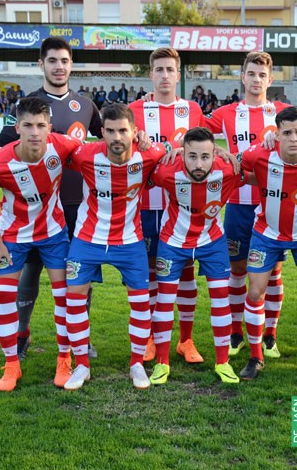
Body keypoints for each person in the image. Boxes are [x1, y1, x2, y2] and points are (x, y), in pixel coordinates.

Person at [0, 37, 104, 362]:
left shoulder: (86, 105)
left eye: (64, 60)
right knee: (29, 275)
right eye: (52, 61)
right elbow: (0, 146)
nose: (58, 67)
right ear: (41, 65)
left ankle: (81, 337)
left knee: (79, 276)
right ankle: (21, 333)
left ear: (71, 64)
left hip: (78, 205)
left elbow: (106, 141)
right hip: (34, 209)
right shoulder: (29, 104)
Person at [62, 103, 173, 391]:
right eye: (110, 131)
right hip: (88, 239)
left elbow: (179, 148)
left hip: (129, 241)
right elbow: (53, 143)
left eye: (123, 130)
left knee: (139, 303)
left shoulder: (150, 153)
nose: (116, 137)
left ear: (135, 132)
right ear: (101, 132)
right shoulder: (84, 154)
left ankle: (137, 362)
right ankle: (81, 365)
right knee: (73, 300)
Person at [0, 97, 81, 391]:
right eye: (28, 126)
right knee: (3, 297)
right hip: (13, 237)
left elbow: (100, 152)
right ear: (17, 127)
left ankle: (64, 358)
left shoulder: (63, 146)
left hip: (54, 234)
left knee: (64, 297)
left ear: (49, 127)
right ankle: (12, 365)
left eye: (40, 125)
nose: (35, 132)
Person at [239, 107, 297, 382]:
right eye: (287, 133)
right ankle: (256, 357)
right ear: (277, 134)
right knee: (255, 292)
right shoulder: (258, 154)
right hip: (266, 233)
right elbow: (232, 164)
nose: (294, 138)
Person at [204, 52, 290, 359]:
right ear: (243, 77)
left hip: (273, 205)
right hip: (238, 205)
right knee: (238, 270)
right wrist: (217, 149)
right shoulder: (227, 113)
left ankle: (269, 335)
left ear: (270, 79)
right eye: (251, 74)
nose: (256, 80)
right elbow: (192, 130)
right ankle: (237, 333)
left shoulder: (283, 114)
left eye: (262, 75)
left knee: (273, 272)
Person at [148, 127, 244, 385]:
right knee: (164, 302)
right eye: (192, 156)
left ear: (215, 155)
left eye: (205, 156)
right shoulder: (166, 171)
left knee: (221, 300)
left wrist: (225, 153)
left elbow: (261, 160)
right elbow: (145, 159)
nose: (199, 164)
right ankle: (162, 363)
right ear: (182, 155)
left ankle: (223, 362)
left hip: (212, 241)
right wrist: (171, 148)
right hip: (173, 241)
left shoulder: (229, 170)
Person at [129, 47, 206, 365]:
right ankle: (148, 339)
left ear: (178, 74)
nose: (164, 75)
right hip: (146, 204)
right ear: (150, 74)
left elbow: (203, 153)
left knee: (186, 272)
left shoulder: (193, 110)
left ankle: (185, 341)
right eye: (158, 69)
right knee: (149, 273)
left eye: (169, 70)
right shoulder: (133, 110)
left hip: (183, 207)